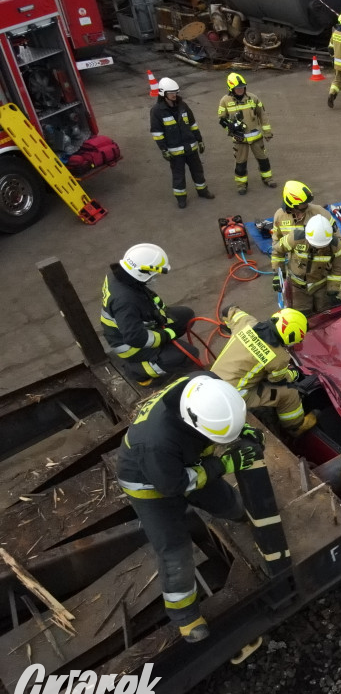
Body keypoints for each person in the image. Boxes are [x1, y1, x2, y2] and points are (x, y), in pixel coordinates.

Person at [117, 372, 262, 643]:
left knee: (227, 501)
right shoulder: (156, 443)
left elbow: (217, 420)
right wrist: (224, 465)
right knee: (175, 550)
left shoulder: (205, 387)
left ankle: (245, 517)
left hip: (184, 463)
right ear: (195, 426)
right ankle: (185, 616)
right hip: (149, 484)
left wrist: (240, 429)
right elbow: (174, 485)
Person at [100, 243, 199, 385]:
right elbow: (135, 338)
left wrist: (163, 318)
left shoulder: (120, 276)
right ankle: (137, 371)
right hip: (129, 346)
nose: (155, 278)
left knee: (186, 316)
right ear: (141, 272)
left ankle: (165, 350)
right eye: (153, 275)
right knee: (187, 355)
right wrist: (166, 335)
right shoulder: (126, 300)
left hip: (140, 324)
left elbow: (147, 301)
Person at [211, 306, 317, 436]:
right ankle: (295, 427)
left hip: (211, 380)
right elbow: (278, 380)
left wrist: (229, 325)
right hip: (233, 396)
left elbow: (228, 310)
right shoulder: (279, 358)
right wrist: (294, 374)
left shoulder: (246, 323)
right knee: (289, 393)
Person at [150, 77, 214, 209]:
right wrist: (163, 149)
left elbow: (192, 124)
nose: (174, 95)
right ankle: (181, 198)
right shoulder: (157, 111)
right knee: (178, 176)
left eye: (175, 92)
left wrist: (199, 139)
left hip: (190, 147)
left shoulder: (183, 106)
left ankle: (202, 191)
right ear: (163, 93)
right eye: (171, 93)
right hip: (175, 151)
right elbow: (157, 133)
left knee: (198, 171)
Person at [271, 214, 341, 314]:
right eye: (315, 245)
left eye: (322, 246)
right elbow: (277, 251)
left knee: (325, 313)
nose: (319, 248)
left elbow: (337, 268)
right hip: (297, 286)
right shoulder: (295, 237)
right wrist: (278, 274)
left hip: (321, 284)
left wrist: (333, 289)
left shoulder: (335, 245)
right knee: (303, 315)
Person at [217, 73, 276, 195]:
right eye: (238, 88)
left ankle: (268, 179)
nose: (240, 90)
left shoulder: (253, 98)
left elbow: (262, 115)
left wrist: (267, 132)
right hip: (240, 140)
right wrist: (231, 128)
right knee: (240, 164)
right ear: (231, 89)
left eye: (242, 87)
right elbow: (222, 119)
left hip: (256, 138)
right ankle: (241, 185)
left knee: (264, 160)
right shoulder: (225, 101)